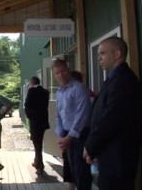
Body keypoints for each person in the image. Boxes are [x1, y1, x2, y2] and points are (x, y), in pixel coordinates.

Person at [83, 36, 142, 190]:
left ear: (117, 54)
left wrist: (90, 146)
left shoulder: (123, 80)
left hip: (118, 157)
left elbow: (110, 119)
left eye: (102, 53)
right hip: (110, 154)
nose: (99, 58)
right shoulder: (115, 78)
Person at [52, 58, 92, 190]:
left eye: (63, 71)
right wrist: (61, 135)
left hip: (80, 135)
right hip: (67, 136)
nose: (61, 75)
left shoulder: (79, 88)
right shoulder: (59, 92)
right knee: (72, 172)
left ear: (68, 70)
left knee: (81, 173)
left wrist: (69, 137)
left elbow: (82, 115)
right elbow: (59, 115)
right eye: (57, 73)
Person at [24, 76, 50, 175]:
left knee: (37, 143)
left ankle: (40, 165)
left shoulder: (32, 91)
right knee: (39, 141)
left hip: (34, 121)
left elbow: (27, 105)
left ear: (32, 83)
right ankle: (36, 161)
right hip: (43, 121)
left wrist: (30, 116)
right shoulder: (45, 92)